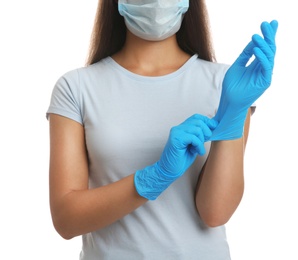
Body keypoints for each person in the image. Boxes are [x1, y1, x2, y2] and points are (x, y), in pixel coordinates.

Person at [46, 0, 278, 259]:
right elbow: (66, 219)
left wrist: (233, 112)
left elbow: (215, 212)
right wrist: (155, 177)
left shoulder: (226, 83)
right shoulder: (76, 88)